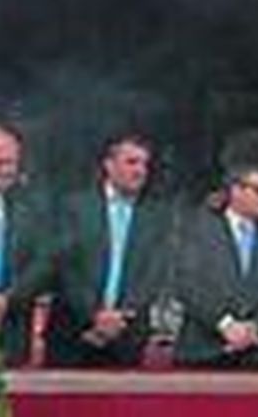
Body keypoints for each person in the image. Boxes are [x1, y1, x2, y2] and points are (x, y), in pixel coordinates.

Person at [45, 134, 169, 367]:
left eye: (145, 164)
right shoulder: (74, 207)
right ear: (109, 165)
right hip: (73, 332)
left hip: (126, 338)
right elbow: (65, 268)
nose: (140, 170)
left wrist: (118, 319)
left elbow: (155, 272)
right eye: (131, 162)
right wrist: (94, 315)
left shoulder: (158, 216)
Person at [174, 165, 258, 368]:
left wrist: (255, 327)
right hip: (202, 354)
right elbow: (188, 284)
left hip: (253, 356)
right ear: (236, 191)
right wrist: (226, 325)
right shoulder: (199, 229)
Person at [0, 125, 49, 367]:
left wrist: (6, 300)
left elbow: (43, 264)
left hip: (9, 333)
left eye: (12, 163)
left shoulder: (32, 207)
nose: (8, 171)